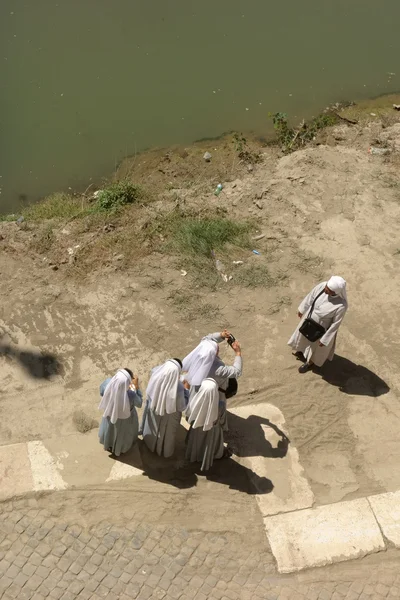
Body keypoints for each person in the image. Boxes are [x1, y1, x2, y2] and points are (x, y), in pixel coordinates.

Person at [183, 330, 243, 433]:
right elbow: (237, 372)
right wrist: (238, 353)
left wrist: (221, 335)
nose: (217, 347)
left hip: (196, 391)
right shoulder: (217, 368)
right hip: (214, 394)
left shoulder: (198, 354)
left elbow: (206, 339)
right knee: (216, 412)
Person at [288, 276, 348, 373]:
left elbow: (335, 324)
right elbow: (311, 296)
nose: (325, 290)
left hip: (322, 329)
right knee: (303, 336)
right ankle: (301, 351)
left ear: (335, 292)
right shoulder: (323, 286)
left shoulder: (341, 305)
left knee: (316, 348)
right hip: (309, 318)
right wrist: (302, 309)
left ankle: (309, 363)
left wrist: (325, 339)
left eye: (328, 290)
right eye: (326, 288)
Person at [142, 359, 189, 458]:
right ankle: (165, 452)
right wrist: (186, 389)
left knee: (152, 427)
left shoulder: (156, 374)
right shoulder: (179, 388)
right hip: (169, 415)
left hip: (153, 408)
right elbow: (182, 406)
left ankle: (149, 443)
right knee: (167, 435)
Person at [99, 368, 143, 456]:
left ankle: (108, 444)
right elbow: (139, 404)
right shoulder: (131, 393)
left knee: (110, 430)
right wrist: (136, 387)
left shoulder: (107, 383)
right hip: (125, 419)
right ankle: (119, 449)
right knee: (122, 435)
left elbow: (101, 392)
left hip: (109, 414)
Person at [185, 378, 223, 471]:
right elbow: (220, 421)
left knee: (195, 444)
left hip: (196, 430)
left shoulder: (194, 401)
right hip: (211, 433)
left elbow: (188, 416)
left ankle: (193, 457)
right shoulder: (220, 405)